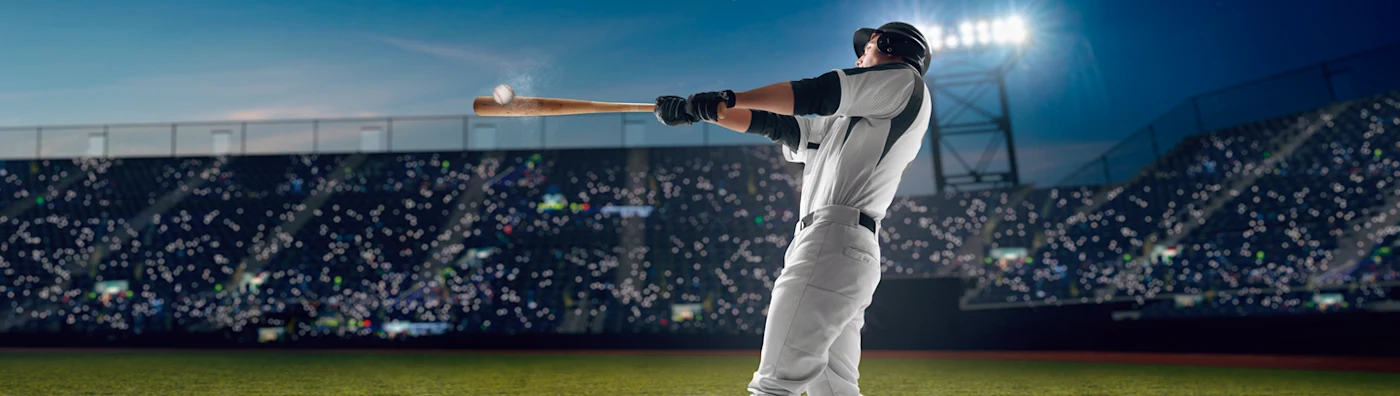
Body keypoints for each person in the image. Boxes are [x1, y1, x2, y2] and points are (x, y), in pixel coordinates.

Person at [654, 21, 933, 396]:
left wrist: (729, 97)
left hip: (833, 240)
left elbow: (817, 92)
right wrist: (704, 112)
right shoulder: (853, 119)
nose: (860, 55)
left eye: (867, 46)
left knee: (774, 384)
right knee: (833, 389)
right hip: (839, 246)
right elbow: (780, 125)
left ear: (889, 44)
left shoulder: (901, 79)